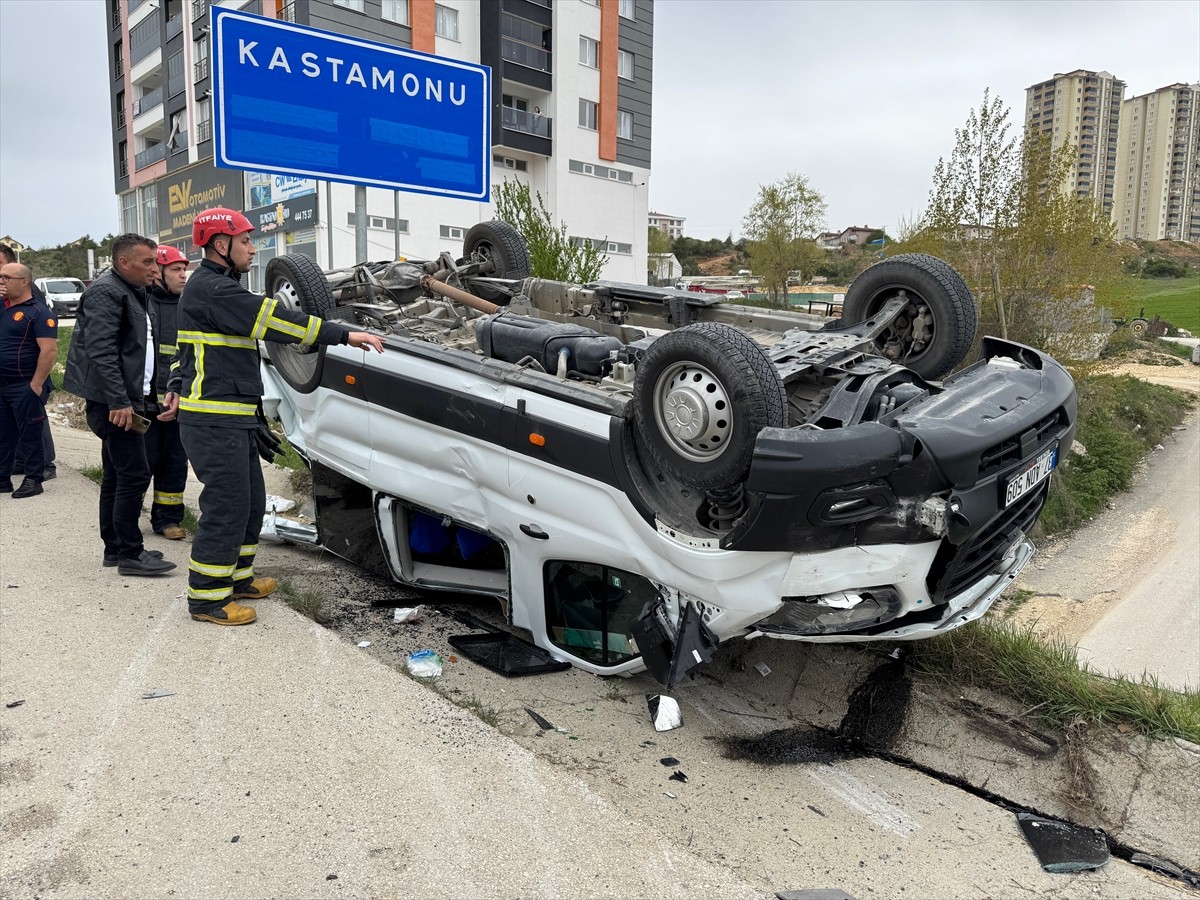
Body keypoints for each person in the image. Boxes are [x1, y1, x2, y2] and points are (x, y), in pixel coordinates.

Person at [165, 207, 383, 626]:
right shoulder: (214, 290)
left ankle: (238, 578)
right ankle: (208, 599)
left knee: (249, 503)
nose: (253, 248)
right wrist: (343, 334)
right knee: (227, 506)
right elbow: (276, 319)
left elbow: (186, 354)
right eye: (246, 241)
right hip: (214, 419)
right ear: (220, 245)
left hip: (233, 415)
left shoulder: (216, 288)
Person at [63, 233, 177, 576]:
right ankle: (130, 553)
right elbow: (100, 351)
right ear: (123, 262)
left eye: (155, 261)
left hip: (129, 398)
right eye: (148, 262)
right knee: (135, 473)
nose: (155, 269)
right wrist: (119, 401)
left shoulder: (131, 290)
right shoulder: (106, 292)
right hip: (115, 403)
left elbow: (136, 351)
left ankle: (114, 548)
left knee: (115, 474)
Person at [145, 245, 191, 541]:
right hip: (146, 402)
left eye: (184, 269)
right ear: (159, 273)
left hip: (179, 400)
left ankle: (168, 519)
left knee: (174, 462)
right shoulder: (141, 303)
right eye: (176, 269)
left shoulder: (189, 306)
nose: (183, 275)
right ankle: (126, 513)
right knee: (143, 461)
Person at [0, 262, 56, 499]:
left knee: (31, 434)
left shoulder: (39, 313)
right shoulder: (2, 308)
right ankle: (3, 479)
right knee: (4, 434)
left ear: (23, 282)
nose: (1, 281)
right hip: (3, 385)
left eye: (6, 278)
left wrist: (36, 384)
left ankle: (34, 479)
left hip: (25, 385)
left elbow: (49, 351)